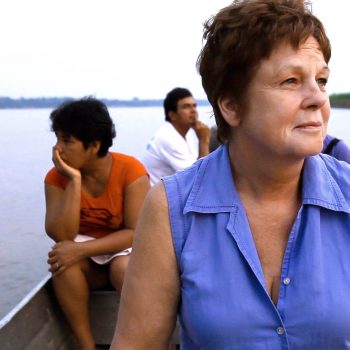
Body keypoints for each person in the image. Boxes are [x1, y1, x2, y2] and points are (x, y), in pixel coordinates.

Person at [111, 0, 350, 349]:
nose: (317, 98)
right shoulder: (172, 209)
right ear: (231, 106)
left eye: (322, 80)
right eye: (290, 80)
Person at [44, 97, 150, 350]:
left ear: (94, 145)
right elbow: (61, 235)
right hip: (88, 267)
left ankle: (146, 341)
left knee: (122, 268)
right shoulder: (56, 178)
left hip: (123, 254)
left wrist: (80, 250)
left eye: (67, 141)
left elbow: (136, 233)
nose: (58, 149)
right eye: (57, 139)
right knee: (62, 264)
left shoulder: (131, 171)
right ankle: (86, 345)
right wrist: (74, 181)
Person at [141, 87, 210, 185]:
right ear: (172, 115)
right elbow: (199, 179)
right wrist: (204, 141)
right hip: (159, 197)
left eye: (194, 106)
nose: (193, 110)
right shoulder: (167, 138)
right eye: (186, 107)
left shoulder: (186, 133)